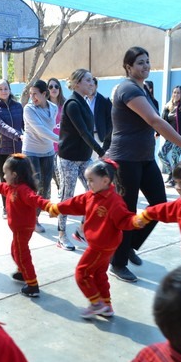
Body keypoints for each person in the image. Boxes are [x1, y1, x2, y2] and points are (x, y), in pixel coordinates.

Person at [107, 47, 181, 282]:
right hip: (126, 159)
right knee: (127, 212)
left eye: (147, 61)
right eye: (140, 62)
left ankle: (129, 245)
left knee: (159, 205)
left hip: (145, 158)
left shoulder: (142, 89)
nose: (146, 66)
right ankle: (117, 263)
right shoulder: (128, 88)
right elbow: (154, 120)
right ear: (128, 67)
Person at [47, 159, 140, 318]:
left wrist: (135, 221)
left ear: (105, 181)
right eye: (87, 180)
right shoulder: (91, 195)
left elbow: (124, 220)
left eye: (91, 180)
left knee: (81, 273)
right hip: (102, 245)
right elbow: (74, 204)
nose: (88, 183)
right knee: (99, 275)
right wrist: (57, 208)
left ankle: (96, 303)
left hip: (101, 245)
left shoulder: (114, 201)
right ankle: (107, 305)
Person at [0, 154, 51, 297]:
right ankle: (22, 272)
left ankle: (32, 285)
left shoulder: (23, 190)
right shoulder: (11, 187)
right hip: (18, 229)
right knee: (15, 251)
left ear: (14, 175)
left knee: (22, 254)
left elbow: (36, 200)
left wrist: (50, 207)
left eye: (5, 173)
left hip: (23, 228)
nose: (4, 177)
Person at [57, 68, 105, 251]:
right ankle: (62, 235)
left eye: (92, 80)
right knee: (66, 197)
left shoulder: (84, 102)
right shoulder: (72, 104)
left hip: (84, 158)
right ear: (77, 83)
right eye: (87, 81)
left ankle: (81, 229)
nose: (91, 84)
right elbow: (84, 132)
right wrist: (101, 152)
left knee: (96, 193)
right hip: (68, 159)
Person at [23, 79, 58, 234]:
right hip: (31, 152)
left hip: (48, 152)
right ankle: (32, 219)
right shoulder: (29, 109)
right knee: (34, 187)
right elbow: (40, 130)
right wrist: (60, 140)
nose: (32, 97)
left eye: (35, 94)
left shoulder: (54, 108)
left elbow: (50, 127)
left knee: (45, 187)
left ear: (45, 94)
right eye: (31, 94)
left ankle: (35, 215)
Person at [0, 79, 24, 219]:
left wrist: (28, 136)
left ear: (10, 89)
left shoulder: (18, 106)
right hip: (2, 150)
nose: (3, 91)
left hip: (18, 148)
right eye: (1, 89)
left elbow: (24, 124)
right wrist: (18, 135)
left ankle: (18, 205)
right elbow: (1, 126)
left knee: (19, 179)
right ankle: (6, 207)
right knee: (5, 180)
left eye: (6, 88)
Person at [157, 85, 181, 186]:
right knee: (161, 154)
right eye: (174, 92)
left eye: (178, 93)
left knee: (174, 156)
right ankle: (172, 172)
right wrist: (158, 133)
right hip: (170, 136)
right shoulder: (168, 107)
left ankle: (173, 178)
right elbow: (162, 121)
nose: (176, 94)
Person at [47, 77, 66, 194]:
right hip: (49, 145)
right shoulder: (44, 106)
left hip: (63, 145)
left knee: (61, 174)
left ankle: (62, 194)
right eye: (50, 87)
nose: (54, 89)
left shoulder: (66, 104)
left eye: (56, 86)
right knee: (53, 173)